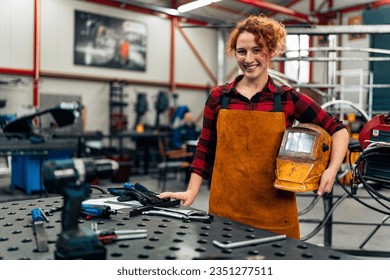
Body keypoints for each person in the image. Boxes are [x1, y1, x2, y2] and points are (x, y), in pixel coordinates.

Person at [159, 14, 349, 239]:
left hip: (276, 215)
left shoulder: (287, 99)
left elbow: (338, 129)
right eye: (242, 51)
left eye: (257, 50)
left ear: (270, 50)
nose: (249, 58)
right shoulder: (220, 97)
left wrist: (331, 169)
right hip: (224, 212)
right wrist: (192, 190)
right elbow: (205, 148)